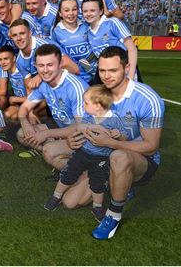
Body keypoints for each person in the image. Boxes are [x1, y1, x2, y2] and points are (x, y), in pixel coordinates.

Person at [66, 46, 164, 240]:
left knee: (118, 157)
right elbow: (84, 124)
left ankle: (113, 214)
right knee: (70, 202)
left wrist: (110, 142)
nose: (106, 76)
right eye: (102, 70)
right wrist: (73, 137)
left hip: (139, 159)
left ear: (127, 68)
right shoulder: (98, 93)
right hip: (100, 155)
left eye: (113, 70)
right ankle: (118, 182)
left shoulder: (147, 98)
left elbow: (151, 146)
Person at [44, 85, 129, 222]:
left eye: (86, 103)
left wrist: (118, 135)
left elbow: (124, 138)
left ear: (98, 105)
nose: (83, 106)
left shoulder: (114, 120)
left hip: (101, 158)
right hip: (82, 153)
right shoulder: (89, 117)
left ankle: (97, 206)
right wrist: (93, 127)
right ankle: (56, 196)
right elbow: (79, 127)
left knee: (98, 183)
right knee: (68, 174)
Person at [17, 44, 88, 171]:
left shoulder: (74, 87)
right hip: (63, 131)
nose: (45, 70)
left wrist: (46, 134)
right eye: (41, 66)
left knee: (49, 151)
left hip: (85, 136)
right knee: (22, 133)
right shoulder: (44, 83)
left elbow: (81, 127)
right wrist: (24, 122)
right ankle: (61, 151)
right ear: (36, 66)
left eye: (50, 65)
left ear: (60, 64)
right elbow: (24, 108)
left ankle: (92, 172)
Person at [9, 19, 79, 92]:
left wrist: (41, 76)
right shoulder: (19, 61)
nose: (19, 38)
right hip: (54, 91)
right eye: (14, 35)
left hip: (76, 84)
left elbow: (75, 69)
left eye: (22, 33)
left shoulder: (45, 45)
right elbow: (30, 89)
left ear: (30, 33)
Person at [82, 0, 138, 81]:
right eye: (85, 11)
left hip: (124, 74)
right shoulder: (87, 31)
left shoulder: (112, 22)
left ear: (101, 11)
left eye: (92, 10)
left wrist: (130, 75)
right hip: (106, 77)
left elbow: (132, 48)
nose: (88, 14)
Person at [0, 45, 46, 122]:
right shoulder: (6, 71)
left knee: (14, 116)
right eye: (0, 59)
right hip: (20, 103)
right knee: (6, 115)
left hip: (34, 104)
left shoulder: (23, 71)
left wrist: (15, 99)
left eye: (6, 59)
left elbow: (34, 97)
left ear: (14, 58)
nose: (3, 62)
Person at [50, 0, 94, 84]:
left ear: (78, 11)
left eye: (74, 9)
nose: (71, 13)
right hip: (74, 77)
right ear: (60, 13)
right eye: (66, 10)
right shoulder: (56, 31)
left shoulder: (86, 25)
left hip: (93, 74)